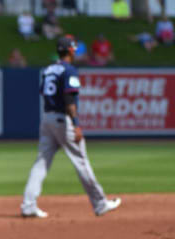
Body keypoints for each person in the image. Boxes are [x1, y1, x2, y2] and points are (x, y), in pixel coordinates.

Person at [21, 35, 121, 218]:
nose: (75, 51)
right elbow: (69, 98)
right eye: (74, 48)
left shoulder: (48, 69)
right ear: (70, 50)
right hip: (62, 119)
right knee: (81, 161)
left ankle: (28, 205)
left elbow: (44, 91)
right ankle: (100, 203)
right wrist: (75, 124)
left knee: (41, 163)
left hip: (47, 118)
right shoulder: (69, 70)